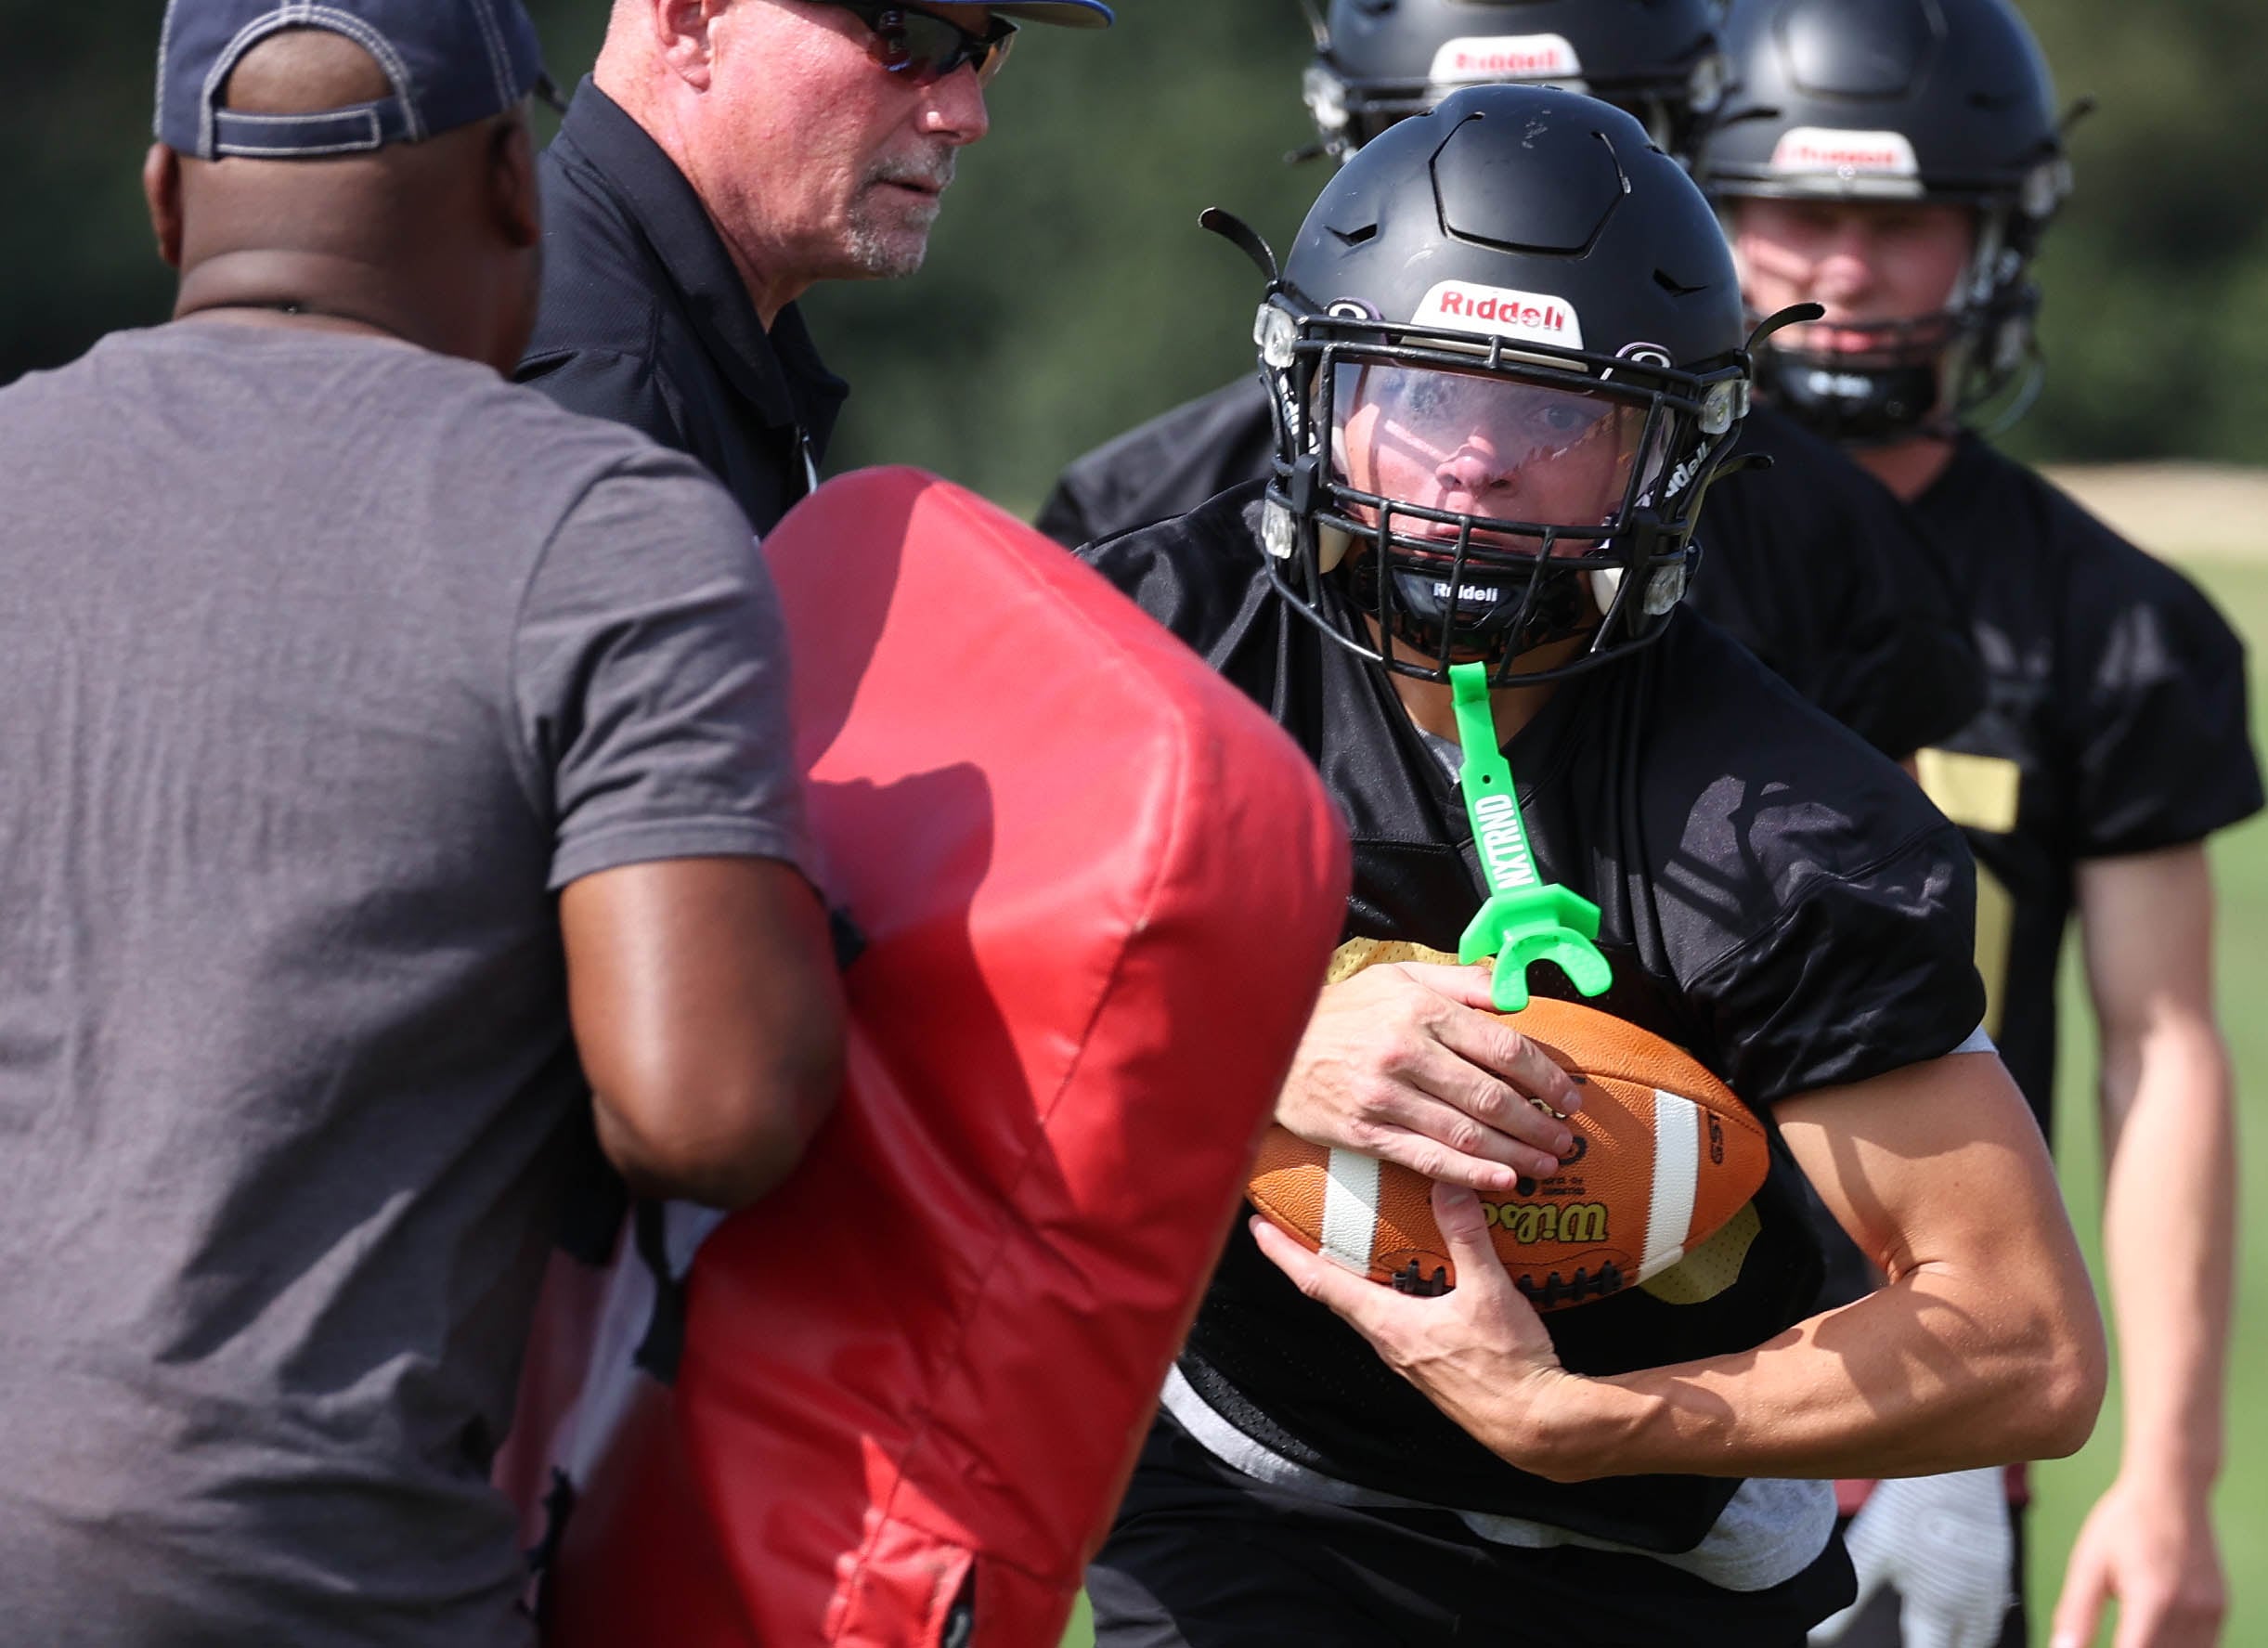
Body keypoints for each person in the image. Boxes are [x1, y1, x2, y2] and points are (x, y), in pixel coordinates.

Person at [1072, 83, 2104, 1648]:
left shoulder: (1772, 826)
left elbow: (2025, 1345)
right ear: (1314, 397)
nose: (1476, 466)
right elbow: (882, 976)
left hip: (1655, 1553)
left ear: (1669, 463)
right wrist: (1250, 1030)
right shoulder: (1138, 641)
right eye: (1423, 397)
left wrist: (1590, 1425)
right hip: (1240, 1473)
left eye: (1554, 418)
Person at [0, 3, 845, 1642]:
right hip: (292, 1567)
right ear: (518, 187)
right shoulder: (608, 531)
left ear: (166, 197)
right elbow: (713, 1109)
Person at [1695, 3, 2262, 1645]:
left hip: (1922, 1389)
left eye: (1899, 221)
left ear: (1992, 237)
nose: (1847, 269)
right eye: (1795, 214)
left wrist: (2166, 1471)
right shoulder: (1599, 562)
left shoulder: (2106, 621)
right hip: (1627, 1338)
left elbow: (2161, 1050)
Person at [1036, 0, 1981, 764]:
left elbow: (1835, 884)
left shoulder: (1831, 546)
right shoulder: (1146, 533)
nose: (1513, 173)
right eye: (1436, 127)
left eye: (1593, 140)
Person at [517, 0, 1111, 534]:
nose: (967, 118)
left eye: (983, 54)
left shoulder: (668, 328)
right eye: (909, 39)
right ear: (692, 24)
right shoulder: (602, 401)